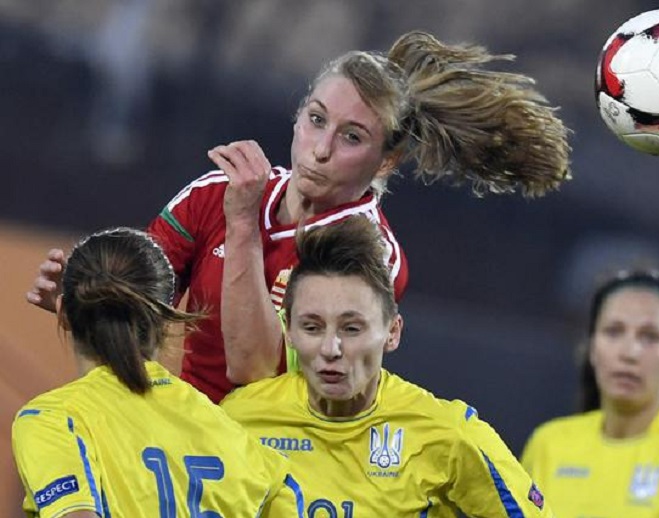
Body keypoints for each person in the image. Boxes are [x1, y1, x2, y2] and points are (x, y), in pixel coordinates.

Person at [27, 30, 572, 403]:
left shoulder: (367, 253)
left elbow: (257, 372)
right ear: (297, 115)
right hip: (190, 446)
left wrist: (242, 229)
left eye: (351, 137)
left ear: (387, 160)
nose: (320, 149)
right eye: (316, 119)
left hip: (285, 470)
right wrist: (88, 306)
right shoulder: (218, 191)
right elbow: (139, 310)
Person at [221, 216, 554, 517]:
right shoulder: (241, 419)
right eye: (312, 327)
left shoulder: (446, 431)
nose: (331, 348)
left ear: (392, 332)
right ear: (289, 331)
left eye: (352, 328)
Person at [12, 227, 296, 517]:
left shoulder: (53, 421)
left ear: (63, 313)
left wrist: (77, 314)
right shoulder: (241, 442)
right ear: (164, 320)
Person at [520, 269, 659, 518]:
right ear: (592, 347)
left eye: (650, 337)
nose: (629, 352)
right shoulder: (548, 445)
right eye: (614, 331)